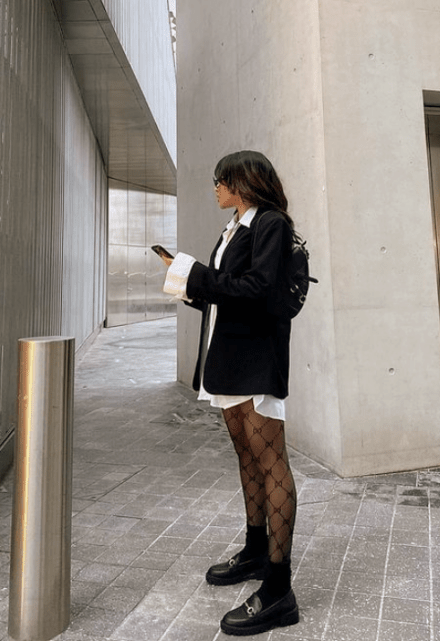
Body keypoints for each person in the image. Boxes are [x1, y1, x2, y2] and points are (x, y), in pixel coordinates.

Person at [159, 150, 299, 636]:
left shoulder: (271, 224)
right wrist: (187, 280)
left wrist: (194, 272)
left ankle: (279, 590)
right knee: (246, 456)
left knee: (270, 459)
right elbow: (225, 290)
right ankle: (257, 550)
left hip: (257, 358)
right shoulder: (235, 226)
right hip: (229, 357)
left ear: (243, 183)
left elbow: (258, 287)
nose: (215, 187)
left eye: (222, 179)